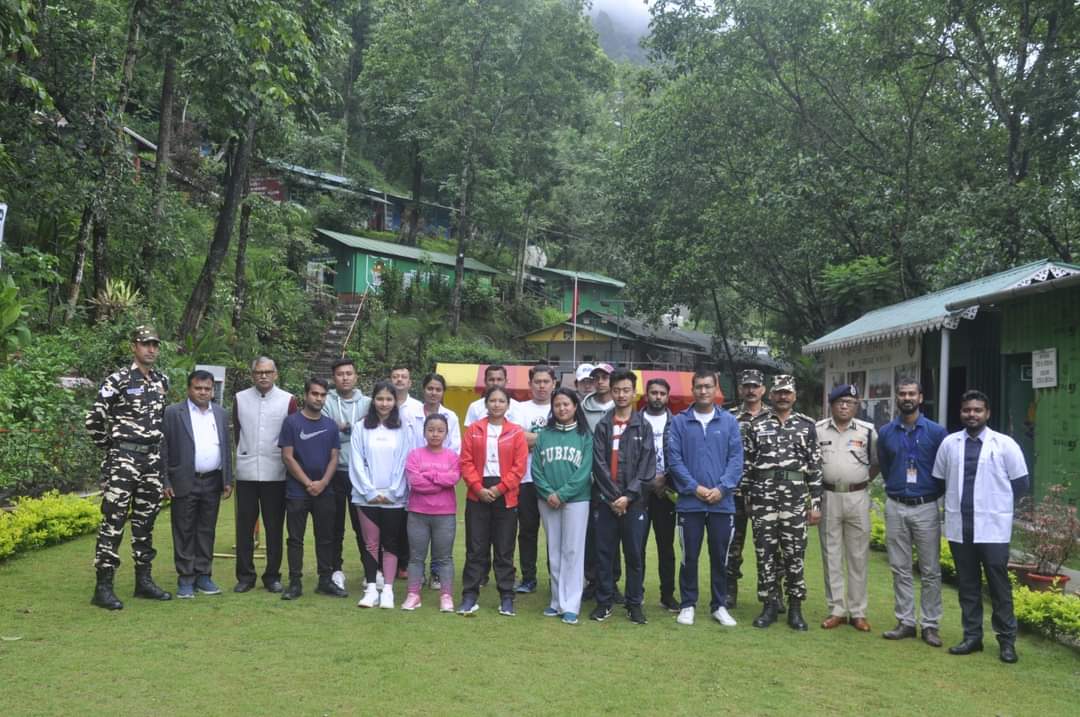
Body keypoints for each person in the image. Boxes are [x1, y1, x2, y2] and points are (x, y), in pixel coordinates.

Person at [933, 390, 1028, 664]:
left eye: (977, 410)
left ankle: (1006, 641)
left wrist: (996, 504)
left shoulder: (1005, 444)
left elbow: (1020, 483)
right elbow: (940, 480)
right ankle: (972, 637)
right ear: (961, 412)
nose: (971, 414)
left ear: (987, 413)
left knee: (999, 586)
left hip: (993, 529)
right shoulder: (950, 444)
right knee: (968, 585)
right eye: (966, 410)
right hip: (960, 526)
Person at [86, 325, 173, 609]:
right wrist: (111, 447)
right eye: (146, 344)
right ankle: (103, 586)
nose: (151, 349)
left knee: (145, 522)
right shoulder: (118, 380)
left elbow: (160, 421)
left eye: (155, 345)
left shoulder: (162, 381)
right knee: (113, 522)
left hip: (151, 460)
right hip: (123, 460)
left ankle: (143, 582)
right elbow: (94, 419)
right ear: (134, 346)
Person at [743, 374, 822, 631]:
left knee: (794, 553)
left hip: (795, 497)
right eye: (778, 392)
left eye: (787, 392)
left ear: (794, 395)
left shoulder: (807, 426)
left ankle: (796, 607)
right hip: (763, 496)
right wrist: (746, 497)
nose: (783, 396)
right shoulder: (757, 425)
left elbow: (815, 466)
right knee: (765, 552)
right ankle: (769, 605)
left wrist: (816, 503)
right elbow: (747, 464)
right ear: (771, 394)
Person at [667, 369, 743, 627]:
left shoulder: (729, 422)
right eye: (699, 386)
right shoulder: (679, 422)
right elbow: (674, 460)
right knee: (689, 556)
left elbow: (736, 460)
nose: (703, 391)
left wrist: (722, 488)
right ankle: (688, 604)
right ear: (693, 388)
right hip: (690, 503)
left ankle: (719, 605)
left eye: (708, 386)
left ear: (716, 388)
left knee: (720, 557)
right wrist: (694, 487)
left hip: (722, 503)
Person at [877, 378, 948, 646]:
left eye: (911, 393)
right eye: (902, 393)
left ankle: (930, 625)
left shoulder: (936, 432)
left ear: (921, 397)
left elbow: (943, 470)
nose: (907, 397)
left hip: (926, 506)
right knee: (900, 567)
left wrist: (929, 495)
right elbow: (886, 465)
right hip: (896, 505)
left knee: (930, 570)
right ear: (897, 398)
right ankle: (905, 621)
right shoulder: (886, 432)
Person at [591, 369, 656, 624]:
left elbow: (646, 467)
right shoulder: (604, 425)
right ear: (611, 391)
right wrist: (613, 497)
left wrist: (628, 496)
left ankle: (634, 604)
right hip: (607, 502)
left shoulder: (644, 425)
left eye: (625, 390)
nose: (621, 394)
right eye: (616, 390)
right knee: (604, 554)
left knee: (634, 556)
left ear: (634, 392)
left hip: (635, 503)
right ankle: (604, 602)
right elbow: (598, 464)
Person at [162, 369, 234, 599]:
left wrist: (227, 479)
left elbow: (226, 447)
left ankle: (203, 575)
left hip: (212, 480)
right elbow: (163, 449)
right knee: (183, 530)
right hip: (184, 480)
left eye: (207, 389)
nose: (203, 392)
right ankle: (185, 578)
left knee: (206, 530)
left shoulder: (221, 413)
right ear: (189, 389)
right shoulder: (174, 413)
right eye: (198, 388)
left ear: (213, 390)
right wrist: (165, 480)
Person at [458, 386, 528, 617]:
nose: (497, 404)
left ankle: (507, 597)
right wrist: (478, 488)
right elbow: (465, 461)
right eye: (492, 401)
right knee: (476, 548)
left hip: (505, 495)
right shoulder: (474, 430)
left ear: (508, 405)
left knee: (504, 549)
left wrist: (498, 489)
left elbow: (519, 467)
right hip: (477, 494)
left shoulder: (516, 432)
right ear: (485, 404)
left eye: (501, 401)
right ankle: (469, 596)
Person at [815, 384, 878, 631]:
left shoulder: (868, 431)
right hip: (829, 495)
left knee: (858, 555)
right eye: (840, 401)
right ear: (831, 404)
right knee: (831, 554)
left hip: (857, 497)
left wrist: (859, 481)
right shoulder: (818, 430)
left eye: (850, 402)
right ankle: (837, 609)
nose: (844, 406)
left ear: (856, 405)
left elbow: (876, 463)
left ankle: (858, 611)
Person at [233, 357, 298, 594]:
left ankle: (272, 575)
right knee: (244, 527)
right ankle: (245, 576)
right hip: (247, 472)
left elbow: (291, 436)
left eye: (268, 372)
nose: (263, 376)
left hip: (276, 473)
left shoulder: (288, 400)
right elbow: (237, 433)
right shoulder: (240, 398)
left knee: (274, 527)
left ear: (276, 374)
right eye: (259, 372)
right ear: (252, 375)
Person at [351, 380, 415, 609]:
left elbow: (404, 461)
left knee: (390, 543)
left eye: (389, 399)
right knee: (370, 543)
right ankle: (371, 588)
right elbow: (356, 461)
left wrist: (393, 492)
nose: (384, 403)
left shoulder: (404, 428)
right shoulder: (360, 427)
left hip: (394, 498)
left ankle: (387, 589)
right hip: (365, 497)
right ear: (373, 400)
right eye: (380, 399)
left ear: (395, 401)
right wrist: (369, 491)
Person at [532, 388, 594, 625]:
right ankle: (556, 601)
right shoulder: (545, 435)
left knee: (573, 551)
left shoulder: (584, 435)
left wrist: (563, 494)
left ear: (575, 407)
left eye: (566, 404)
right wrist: (549, 493)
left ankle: (571, 604)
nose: (562, 409)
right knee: (555, 551)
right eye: (557, 405)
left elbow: (585, 471)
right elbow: (536, 468)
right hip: (547, 500)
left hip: (576, 500)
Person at [278, 378, 342, 600]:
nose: (319, 398)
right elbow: (287, 456)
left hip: (325, 491)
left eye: (323, 395)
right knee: (295, 538)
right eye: (315, 394)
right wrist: (307, 483)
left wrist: (323, 482)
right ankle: (295, 583)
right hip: (297, 491)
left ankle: (325, 580)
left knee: (325, 537)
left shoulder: (331, 425)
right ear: (305, 395)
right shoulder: (292, 423)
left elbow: (335, 457)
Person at [405, 372, 462, 591]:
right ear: (423, 389)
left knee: (442, 549)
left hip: (443, 474)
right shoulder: (412, 414)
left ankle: (437, 576)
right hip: (419, 471)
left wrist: (436, 474)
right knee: (417, 548)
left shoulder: (451, 416)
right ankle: (416, 580)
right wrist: (428, 472)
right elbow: (411, 449)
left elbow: (455, 455)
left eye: (438, 389)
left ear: (443, 392)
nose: (434, 392)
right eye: (430, 388)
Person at [402, 414, 461, 613]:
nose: (435, 434)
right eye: (431, 430)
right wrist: (439, 482)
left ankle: (446, 595)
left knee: (444, 557)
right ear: (424, 431)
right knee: (416, 557)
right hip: (418, 513)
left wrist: (430, 475)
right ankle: (413, 594)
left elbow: (453, 479)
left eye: (440, 430)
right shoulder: (414, 455)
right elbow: (415, 483)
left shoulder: (452, 456)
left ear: (446, 433)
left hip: (444, 514)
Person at [322, 358, 370, 593]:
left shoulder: (369, 403)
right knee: (334, 525)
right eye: (340, 374)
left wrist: (342, 428)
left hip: (360, 474)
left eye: (349, 373)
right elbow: (323, 428)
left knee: (364, 526)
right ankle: (335, 570)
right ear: (334, 377)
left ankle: (371, 572)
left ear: (356, 376)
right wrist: (338, 428)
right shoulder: (325, 400)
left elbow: (369, 432)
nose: (345, 377)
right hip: (333, 472)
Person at [512, 364, 557, 594]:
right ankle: (528, 577)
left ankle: (555, 578)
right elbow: (517, 439)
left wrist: (534, 440)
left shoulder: (561, 405)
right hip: (526, 478)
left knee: (555, 532)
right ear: (530, 385)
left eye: (546, 381)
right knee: (528, 531)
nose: (541, 386)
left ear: (554, 384)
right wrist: (551, 440)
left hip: (554, 481)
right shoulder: (519, 408)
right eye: (537, 382)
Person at [727, 369, 769, 609]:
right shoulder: (729, 417)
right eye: (747, 386)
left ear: (763, 390)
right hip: (735, 493)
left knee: (770, 547)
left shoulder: (775, 417)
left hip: (767, 493)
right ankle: (729, 590)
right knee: (732, 546)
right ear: (741, 389)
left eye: (755, 386)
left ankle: (772, 593)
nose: (751, 390)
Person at [640, 377, 679, 613]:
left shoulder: (677, 423)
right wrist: (646, 480)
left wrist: (667, 478)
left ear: (667, 396)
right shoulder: (635, 421)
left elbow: (682, 455)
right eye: (653, 392)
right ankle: (637, 592)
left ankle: (667, 595)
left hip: (666, 492)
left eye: (661, 393)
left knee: (666, 547)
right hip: (641, 493)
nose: (657, 397)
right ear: (646, 394)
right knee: (637, 546)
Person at [581, 363, 614, 432]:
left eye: (604, 377)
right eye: (596, 378)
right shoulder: (583, 407)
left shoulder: (621, 406)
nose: (600, 382)